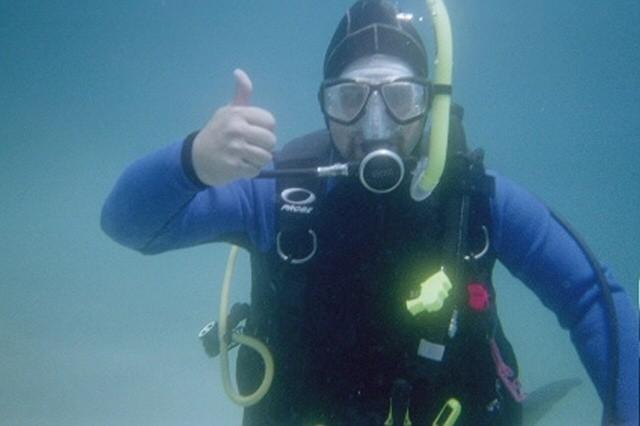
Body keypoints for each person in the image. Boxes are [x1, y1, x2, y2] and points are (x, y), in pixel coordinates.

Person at [101, 1, 638, 425]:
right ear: (324, 104)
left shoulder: (477, 199)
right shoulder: (280, 199)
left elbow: (591, 297)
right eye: (349, 99)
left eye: (401, 98)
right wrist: (193, 160)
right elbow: (127, 225)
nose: (374, 124)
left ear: (432, 103)